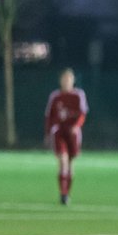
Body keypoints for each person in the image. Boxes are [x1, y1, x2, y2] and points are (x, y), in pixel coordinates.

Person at [44, 68, 89, 205]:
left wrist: (76, 126)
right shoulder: (55, 96)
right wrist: (47, 133)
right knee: (62, 161)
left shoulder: (79, 95)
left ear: (73, 81)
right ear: (60, 81)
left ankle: (67, 193)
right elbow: (48, 116)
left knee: (70, 163)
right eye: (64, 79)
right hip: (59, 132)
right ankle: (63, 194)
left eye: (69, 79)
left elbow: (83, 113)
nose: (66, 82)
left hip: (73, 133)